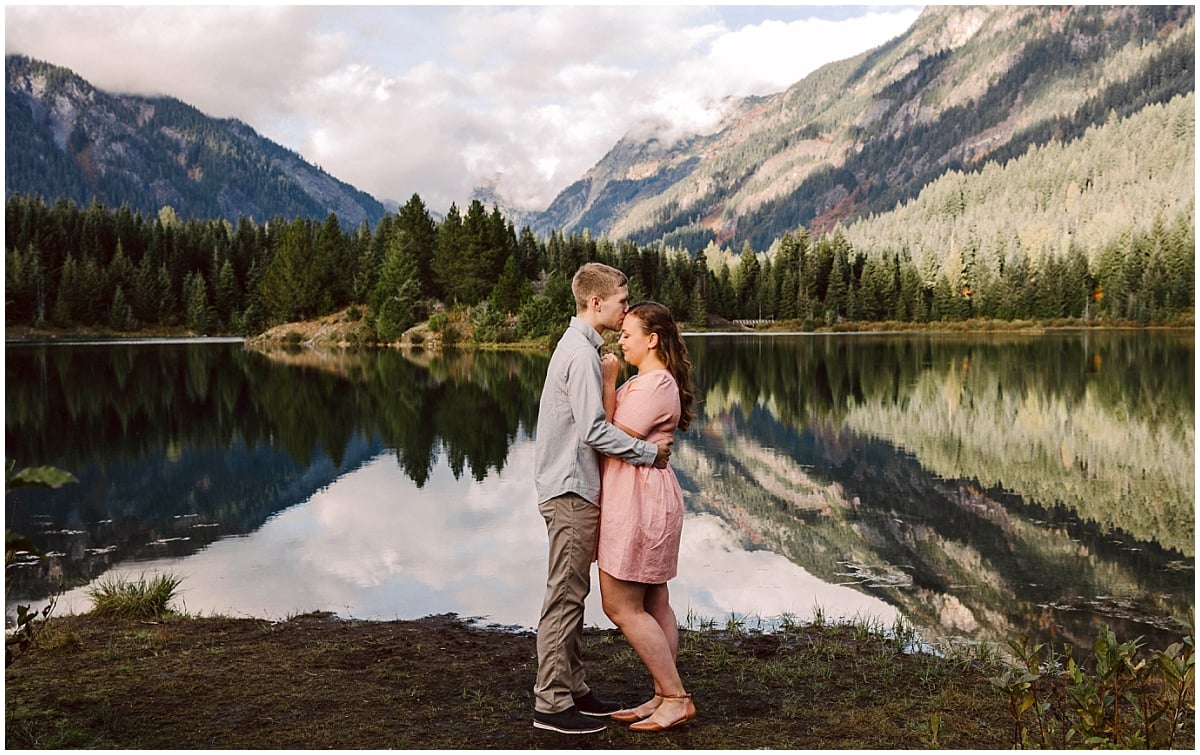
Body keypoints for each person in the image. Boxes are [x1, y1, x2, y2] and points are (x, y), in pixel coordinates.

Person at [532, 263, 673, 735]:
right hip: (571, 489)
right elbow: (594, 431)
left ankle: (574, 689)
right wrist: (648, 453)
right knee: (565, 597)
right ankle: (551, 703)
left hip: (575, 488)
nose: (626, 307)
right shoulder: (579, 353)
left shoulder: (583, 350)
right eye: (621, 300)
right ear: (597, 303)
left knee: (574, 593)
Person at [597, 300, 697, 732]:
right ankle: (662, 694)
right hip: (640, 497)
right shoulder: (650, 381)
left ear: (652, 339)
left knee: (619, 603)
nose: (621, 340)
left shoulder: (655, 385)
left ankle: (676, 697)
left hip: (640, 502)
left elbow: (609, 436)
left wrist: (607, 379)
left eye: (627, 334)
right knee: (655, 602)